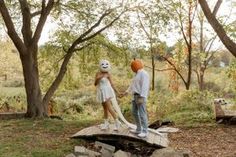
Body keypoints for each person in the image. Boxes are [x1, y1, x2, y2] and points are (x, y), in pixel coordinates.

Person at [121, 59, 150, 138]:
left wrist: (142, 96)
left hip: (140, 96)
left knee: (142, 113)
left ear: (136, 66)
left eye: (132, 67)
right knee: (134, 112)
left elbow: (145, 86)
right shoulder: (136, 74)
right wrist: (126, 92)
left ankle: (145, 131)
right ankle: (138, 129)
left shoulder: (144, 73)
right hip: (135, 96)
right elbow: (132, 85)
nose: (132, 68)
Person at [94, 59, 120, 131]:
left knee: (109, 107)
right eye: (103, 64)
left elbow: (112, 84)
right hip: (101, 91)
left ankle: (117, 122)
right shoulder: (98, 73)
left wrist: (117, 92)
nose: (104, 66)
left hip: (107, 91)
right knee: (105, 108)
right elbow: (95, 84)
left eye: (106, 64)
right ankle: (106, 123)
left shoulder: (108, 74)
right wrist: (98, 78)